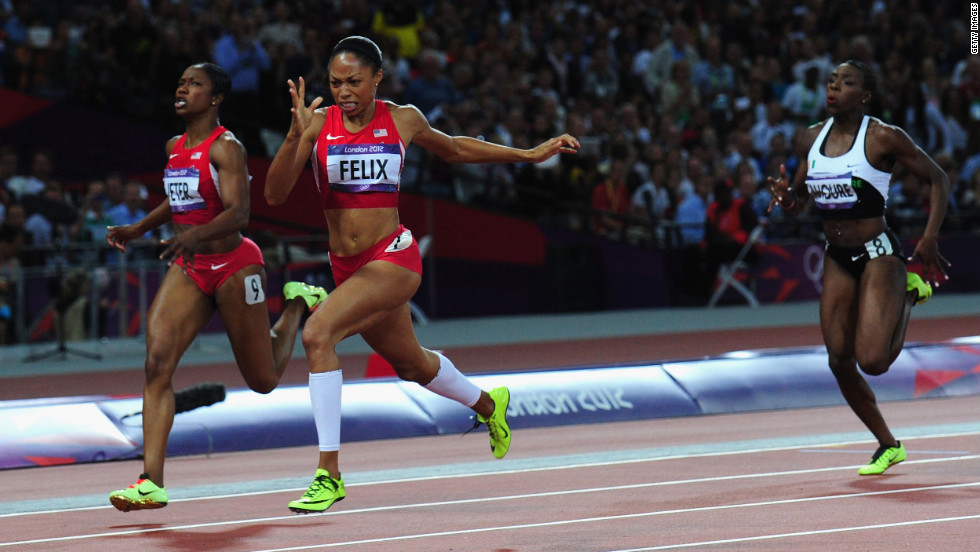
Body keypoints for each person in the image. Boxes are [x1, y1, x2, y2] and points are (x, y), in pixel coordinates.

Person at [265, 36, 579, 513]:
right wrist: (294, 136)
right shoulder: (317, 124)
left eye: (353, 81)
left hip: (393, 258)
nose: (343, 91)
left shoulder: (403, 118)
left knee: (318, 334)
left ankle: (328, 474)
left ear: (377, 80)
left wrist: (528, 155)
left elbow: (453, 149)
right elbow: (274, 195)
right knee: (412, 365)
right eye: (334, 83)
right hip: (348, 268)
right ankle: (490, 405)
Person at [106, 62, 328, 512]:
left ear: (216, 98)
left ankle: (296, 306)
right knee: (156, 362)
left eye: (195, 84)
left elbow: (239, 212)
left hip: (234, 266)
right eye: (181, 81)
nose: (183, 88)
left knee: (263, 379)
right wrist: (140, 228)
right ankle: (152, 481)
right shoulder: (174, 146)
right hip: (191, 266)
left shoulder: (227, 148)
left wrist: (194, 235)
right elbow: (180, 197)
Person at [767, 60, 950, 476]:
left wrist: (930, 235)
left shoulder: (883, 136)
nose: (834, 87)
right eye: (832, 81)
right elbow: (799, 200)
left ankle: (908, 290)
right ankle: (888, 444)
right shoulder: (809, 138)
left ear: (864, 95)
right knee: (838, 360)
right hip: (836, 256)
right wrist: (787, 197)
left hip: (879, 253)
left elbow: (939, 179)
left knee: (873, 361)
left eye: (846, 82)